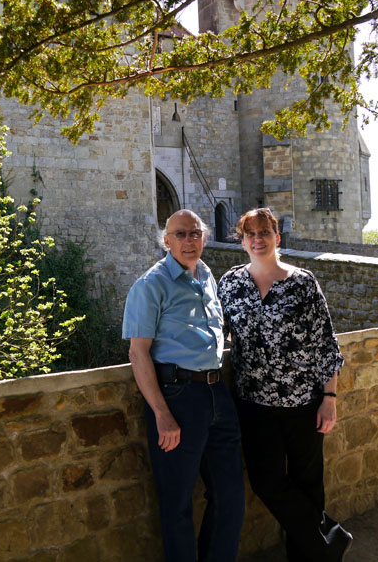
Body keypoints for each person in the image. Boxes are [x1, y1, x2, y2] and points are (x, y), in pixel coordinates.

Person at [218, 208, 350, 562]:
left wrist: (329, 397)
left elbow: (326, 343)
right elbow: (216, 334)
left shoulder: (302, 282)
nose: (257, 239)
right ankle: (330, 540)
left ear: (277, 237)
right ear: (242, 240)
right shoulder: (230, 283)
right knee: (266, 482)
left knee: (308, 484)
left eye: (264, 232)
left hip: (304, 402)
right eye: (250, 234)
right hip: (253, 404)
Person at [123, 209, 245, 562]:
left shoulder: (207, 276)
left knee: (230, 495)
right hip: (178, 397)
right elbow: (138, 352)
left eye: (194, 233)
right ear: (166, 240)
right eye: (180, 234)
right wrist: (161, 412)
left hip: (216, 392)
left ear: (204, 238)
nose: (188, 241)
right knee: (177, 503)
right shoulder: (151, 284)